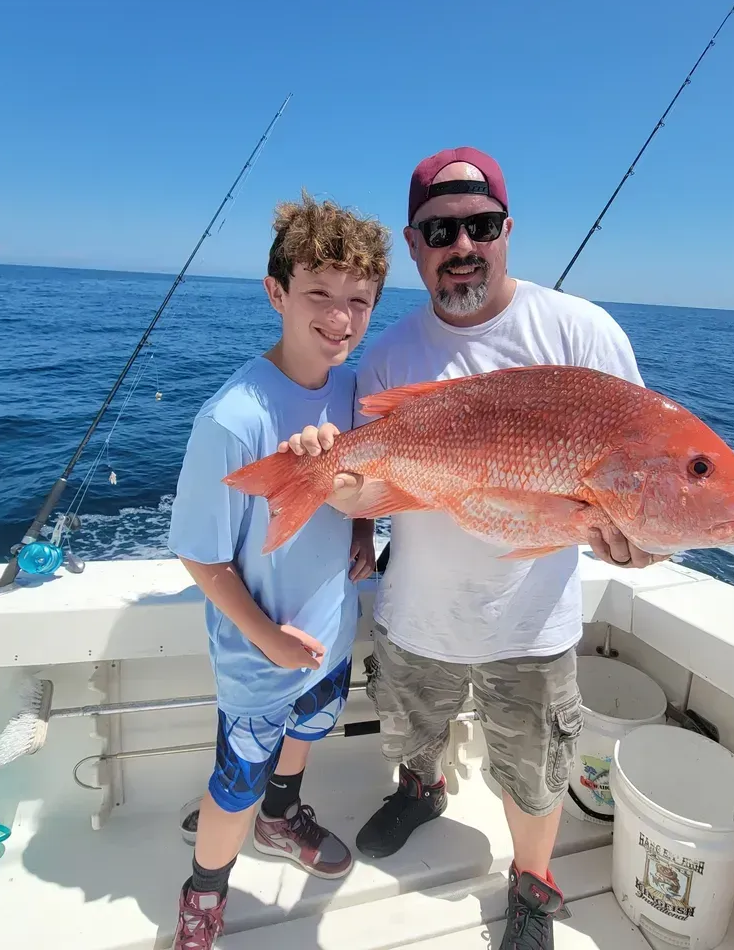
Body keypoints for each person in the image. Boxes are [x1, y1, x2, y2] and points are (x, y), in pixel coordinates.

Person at [280, 148, 668, 950]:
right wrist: (353, 518)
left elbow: (646, 478)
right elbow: (371, 469)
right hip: (415, 615)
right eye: (441, 229)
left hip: (532, 627)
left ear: (507, 232)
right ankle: (421, 791)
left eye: (480, 225)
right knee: (411, 734)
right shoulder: (385, 355)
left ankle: (533, 882)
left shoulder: (582, 333)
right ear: (416, 244)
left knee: (534, 770)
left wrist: (644, 550)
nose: (463, 244)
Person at [165, 191, 389, 949]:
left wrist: (362, 526)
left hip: (330, 625)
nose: (339, 318)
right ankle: (205, 894)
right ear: (276, 293)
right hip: (262, 651)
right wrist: (266, 639)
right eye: (319, 295)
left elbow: (361, 479)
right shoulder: (234, 417)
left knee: (313, 727)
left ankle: (282, 814)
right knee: (234, 782)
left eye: (358, 300)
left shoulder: (354, 390)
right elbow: (200, 554)